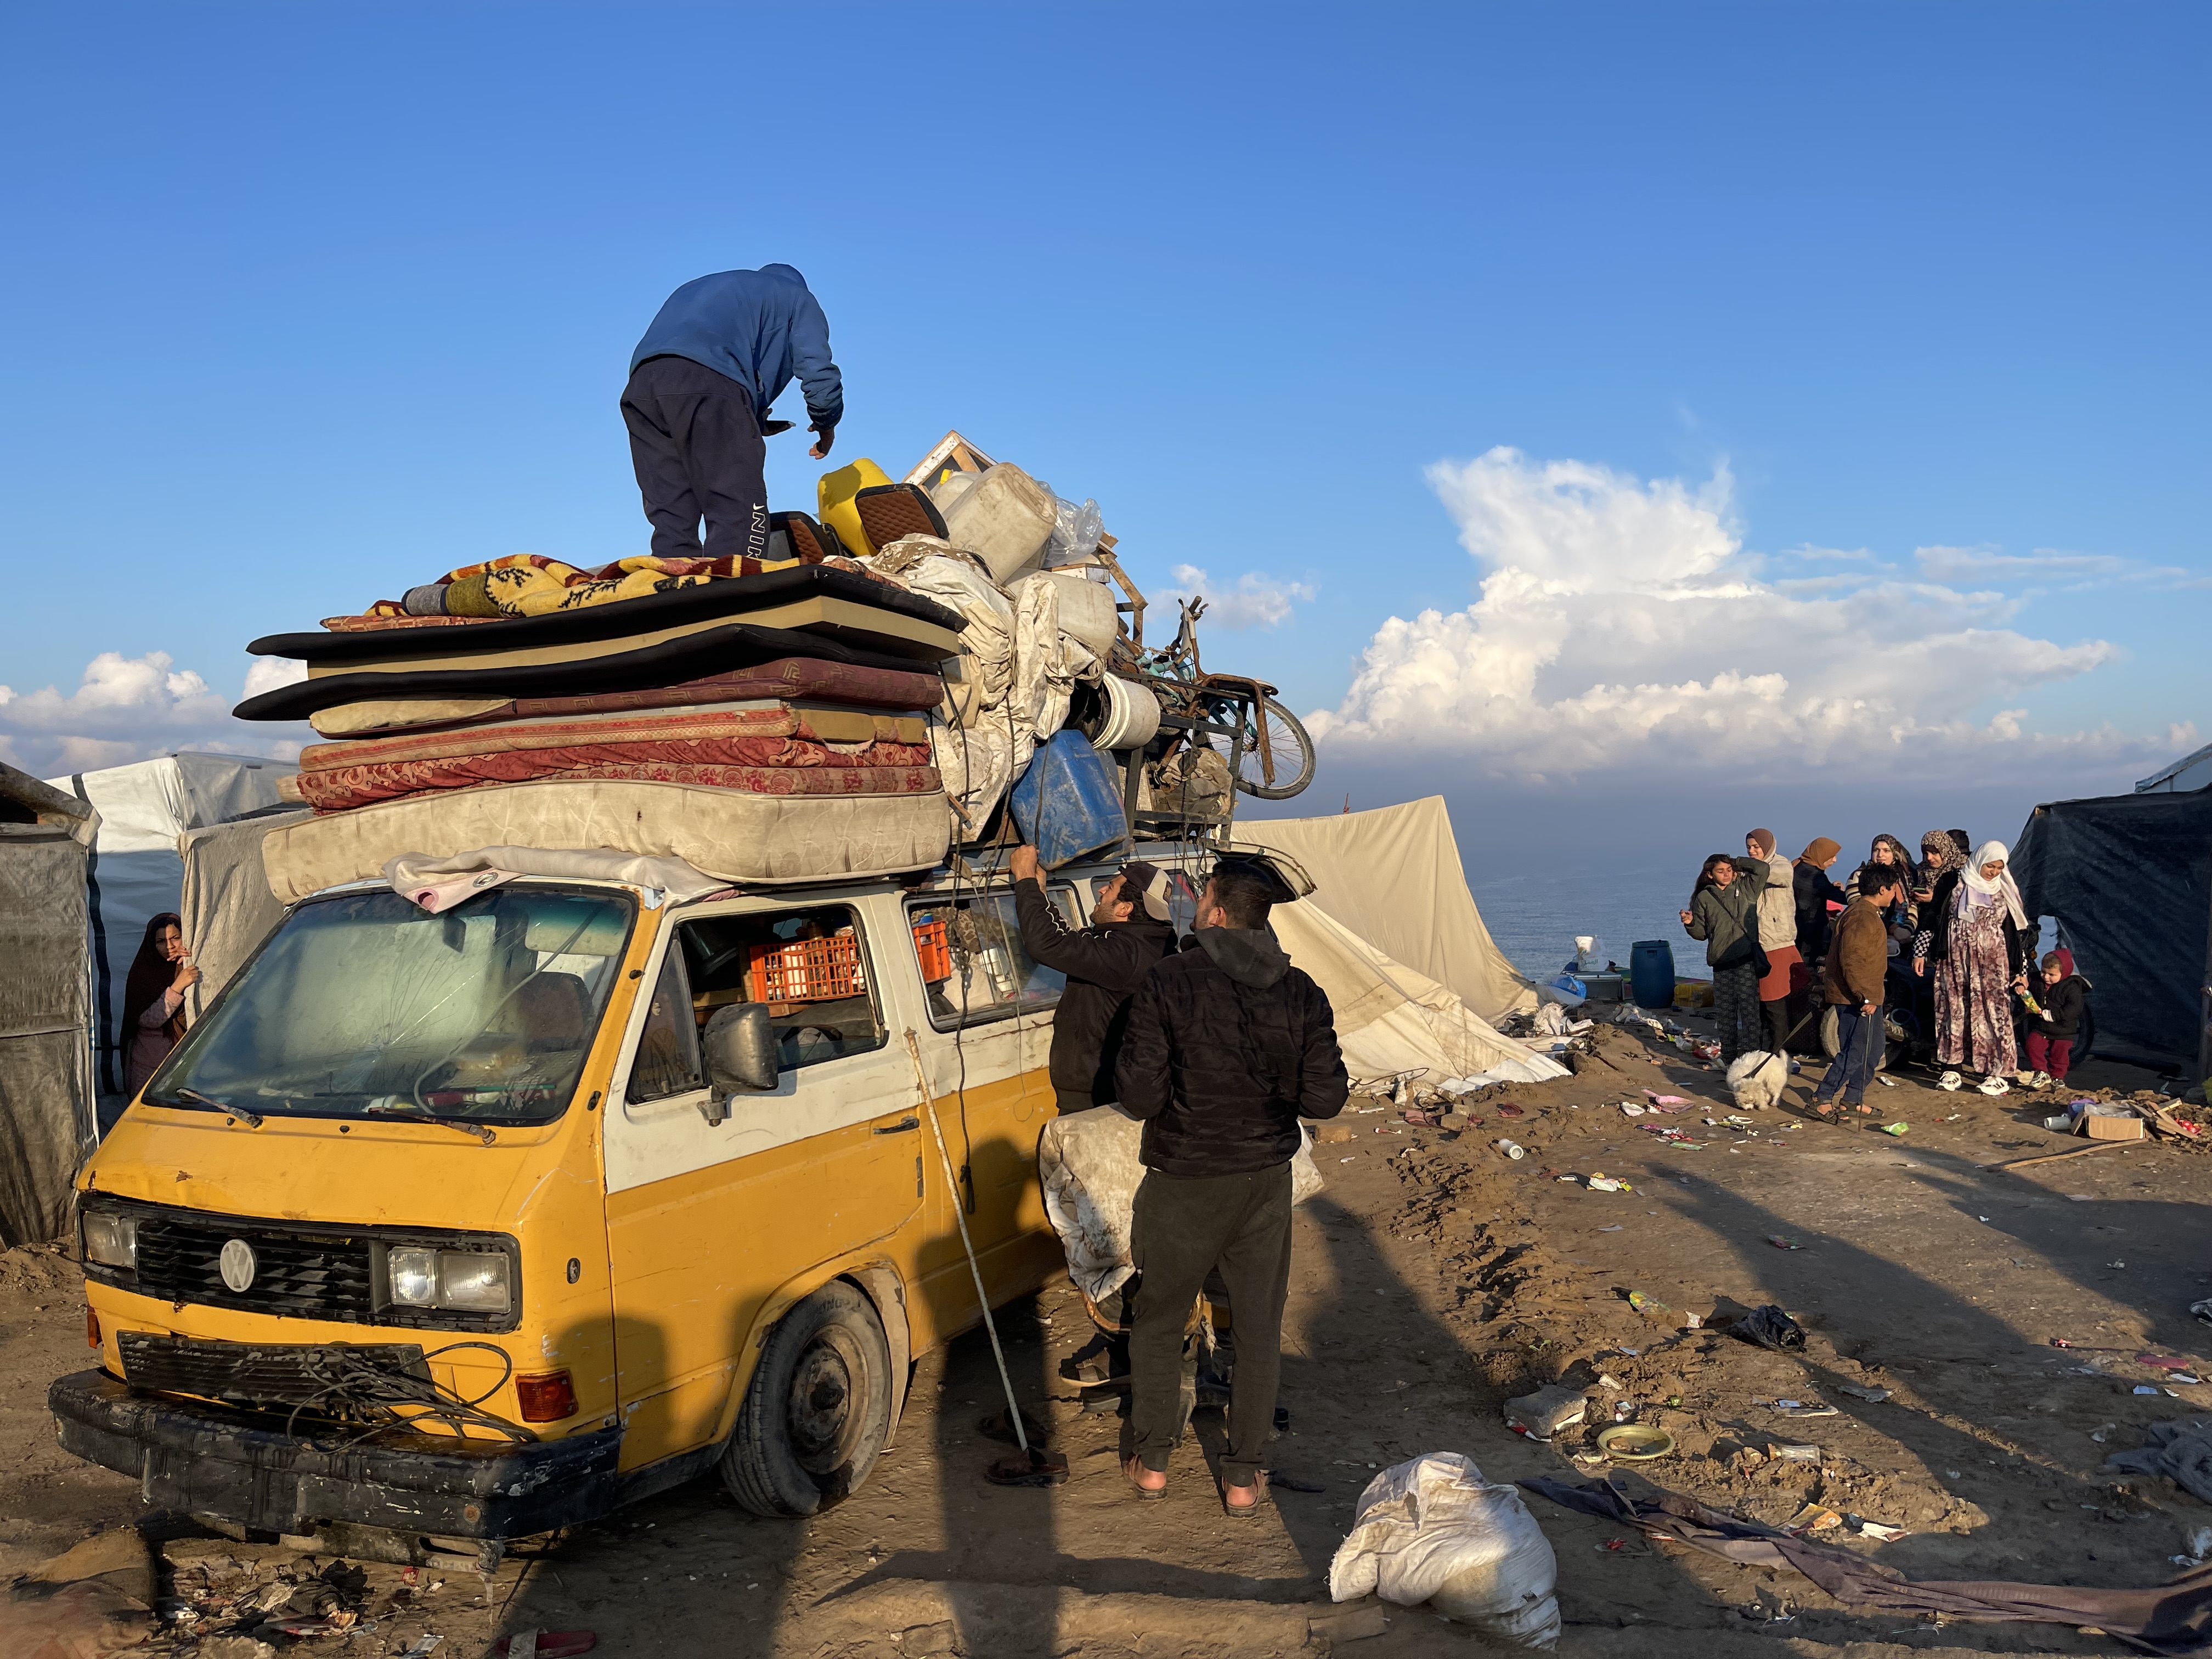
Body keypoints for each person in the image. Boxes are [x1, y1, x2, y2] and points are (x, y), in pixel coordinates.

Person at [1114, 860, 1348, 1517]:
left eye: (1202, 898)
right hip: (1262, 1181)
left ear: (1216, 912)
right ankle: (1243, 1476)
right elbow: (1325, 1101)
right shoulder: (1301, 991)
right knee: (1257, 1327)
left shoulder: (1168, 981)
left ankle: (1152, 1462)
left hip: (1183, 1178)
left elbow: (1139, 1096)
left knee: (1159, 1320)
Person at [622, 264, 844, 563]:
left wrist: (752, 417)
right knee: (737, 507)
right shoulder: (798, 298)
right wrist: (826, 422)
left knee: (671, 513)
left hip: (642, 386)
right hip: (710, 380)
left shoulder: (713, 288)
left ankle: (674, 581)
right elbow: (818, 372)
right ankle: (736, 584)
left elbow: (703, 356)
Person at [1008, 845, 1179, 1113]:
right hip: (1107, 1088)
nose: (1101, 891)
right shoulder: (1145, 944)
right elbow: (1068, 940)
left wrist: (1024, 879)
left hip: (1098, 1097)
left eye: (1110, 888)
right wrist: (1039, 891)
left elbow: (1047, 944)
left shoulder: (1125, 954)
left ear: (1124, 909)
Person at [1914, 839, 2025, 1082]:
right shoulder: (1953, 881)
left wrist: (2022, 970)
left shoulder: (2003, 888)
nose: (1994, 872)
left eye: (1999, 868)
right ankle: (1952, 1068)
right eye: (1990, 866)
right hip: (1954, 961)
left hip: (1992, 964)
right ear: (1979, 860)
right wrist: (1920, 952)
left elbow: (2014, 934)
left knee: (1994, 1012)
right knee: (1953, 1009)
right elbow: (1932, 916)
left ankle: (1996, 1071)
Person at [1813, 864, 1903, 1121]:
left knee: (1873, 1050)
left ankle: (1852, 1098)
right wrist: (1865, 996)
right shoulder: (1861, 916)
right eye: (1894, 889)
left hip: (1868, 996)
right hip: (1856, 998)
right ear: (1883, 889)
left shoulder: (1869, 913)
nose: (1895, 894)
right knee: (1855, 1051)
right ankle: (1822, 1098)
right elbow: (1853, 960)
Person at [1679, 853, 1773, 1066]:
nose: (1727, 874)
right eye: (1720, 871)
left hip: (1746, 962)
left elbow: (1762, 869)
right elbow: (1701, 934)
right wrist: (1690, 923)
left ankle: (1751, 1060)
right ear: (1710, 875)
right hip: (1721, 965)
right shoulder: (1704, 898)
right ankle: (1729, 1060)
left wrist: (1736, 862)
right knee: (1726, 1016)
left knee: (1750, 1015)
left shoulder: (1746, 889)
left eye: (1729, 870)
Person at [120, 913, 198, 1097]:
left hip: (189, 1062)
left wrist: (190, 959)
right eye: (161, 941)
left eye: (175, 938)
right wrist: (178, 986)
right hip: (150, 1065)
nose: (169, 947)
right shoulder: (143, 973)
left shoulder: (189, 964)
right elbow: (148, 1020)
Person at [1743, 830, 1798, 1057]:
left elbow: (1768, 874)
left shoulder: (1781, 866)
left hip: (1777, 943)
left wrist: (1740, 865)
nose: (1752, 851)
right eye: (1749, 847)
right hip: (1757, 945)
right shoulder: (1749, 870)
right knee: (1762, 1005)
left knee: (1774, 1002)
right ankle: (1766, 1050)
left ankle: (1778, 1052)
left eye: (1757, 847)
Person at [2022, 949, 2086, 1088]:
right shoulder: (2036, 980)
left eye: (2052, 974)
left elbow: (2075, 1008)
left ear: (2064, 973)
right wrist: (2020, 986)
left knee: (2060, 1056)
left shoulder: (2072, 987)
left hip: (2063, 1030)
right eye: (2043, 972)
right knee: (2032, 1046)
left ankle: (2057, 1077)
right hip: (2041, 1027)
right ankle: (2041, 1071)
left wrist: (2053, 1015)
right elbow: (2026, 981)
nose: (2046, 977)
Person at [1791, 838, 1850, 964]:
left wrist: (1829, 888)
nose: (1835, 860)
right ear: (1822, 854)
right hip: (1809, 932)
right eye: (1832, 856)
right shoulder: (1817, 877)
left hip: (1795, 927)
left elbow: (1816, 890)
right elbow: (1842, 898)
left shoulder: (1797, 866)